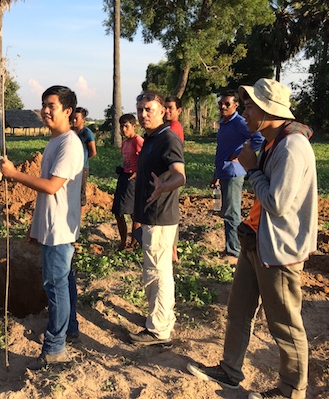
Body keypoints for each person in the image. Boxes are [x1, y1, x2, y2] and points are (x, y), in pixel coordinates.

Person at [187, 78, 317, 399]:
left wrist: (251, 169)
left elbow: (277, 203)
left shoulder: (292, 147)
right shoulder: (275, 141)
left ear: (268, 111)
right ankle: (230, 371)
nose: (244, 112)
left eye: (249, 106)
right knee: (238, 310)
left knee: (285, 326)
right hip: (256, 240)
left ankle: (291, 391)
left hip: (278, 251)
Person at [0, 85, 83, 369]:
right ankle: (69, 329)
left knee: (55, 285)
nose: (46, 111)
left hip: (60, 229)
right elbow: (47, 194)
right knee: (64, 282)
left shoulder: (70, 145)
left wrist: (14, 174)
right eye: (43, 105)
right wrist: (35, 226)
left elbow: (50, 186)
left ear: (68, 111)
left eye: (52, 106)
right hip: (51, 226)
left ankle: (56, 348)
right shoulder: (54, 142)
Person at [128, 92, 185, 346]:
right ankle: (162, 318)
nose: (143, 114)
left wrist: (164, 187)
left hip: (160, 215)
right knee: (159, 270)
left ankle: (158, 330)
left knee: (157, 272)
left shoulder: (168, 139)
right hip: (152, 215)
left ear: (163, 111)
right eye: (140, 109)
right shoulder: (152, 138)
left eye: (149, 109)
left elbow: (179, 176)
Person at [211, 92, 264, 257]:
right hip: (224, 172)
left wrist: (239, 153)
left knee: (232, 212)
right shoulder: (224, 123)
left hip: (234, 173)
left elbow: (258, 138)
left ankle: (234, 251)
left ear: (236, 106)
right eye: (221, 103)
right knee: (227, 210)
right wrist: (216, 174)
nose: (223, 107)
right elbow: (222, 150)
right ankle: (230, 247)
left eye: (227, 104)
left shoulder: (239, 122)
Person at [112, 113, 143, 250]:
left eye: (126, 126)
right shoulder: (125, 143)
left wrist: (137, 173)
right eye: (121, 126)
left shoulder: (138, 141)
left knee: (134, 213)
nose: (123, 129)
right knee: (118, 212)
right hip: (124, 177)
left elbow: (146, 160)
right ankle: (123, 241)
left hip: (134, 180)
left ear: (134, 126)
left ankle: (133, 244)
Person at [165, 96, 184, 262]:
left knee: (170, 213)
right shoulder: (170, 127)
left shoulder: (172, 129)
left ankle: (173, 250)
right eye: (166, 107)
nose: (167, 111)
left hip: (171, 177)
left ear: (179, 110)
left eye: (171, 108)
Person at [71, 107, 97, 214]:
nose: (74, 121)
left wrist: (83, 159)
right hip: (70, 167)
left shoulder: (87, 133)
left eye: (76, 118)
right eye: (72, 118)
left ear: (83, 120)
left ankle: (79, 220)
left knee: (80, 193)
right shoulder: (70, 132)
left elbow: (93, 152)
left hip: (82, 168)